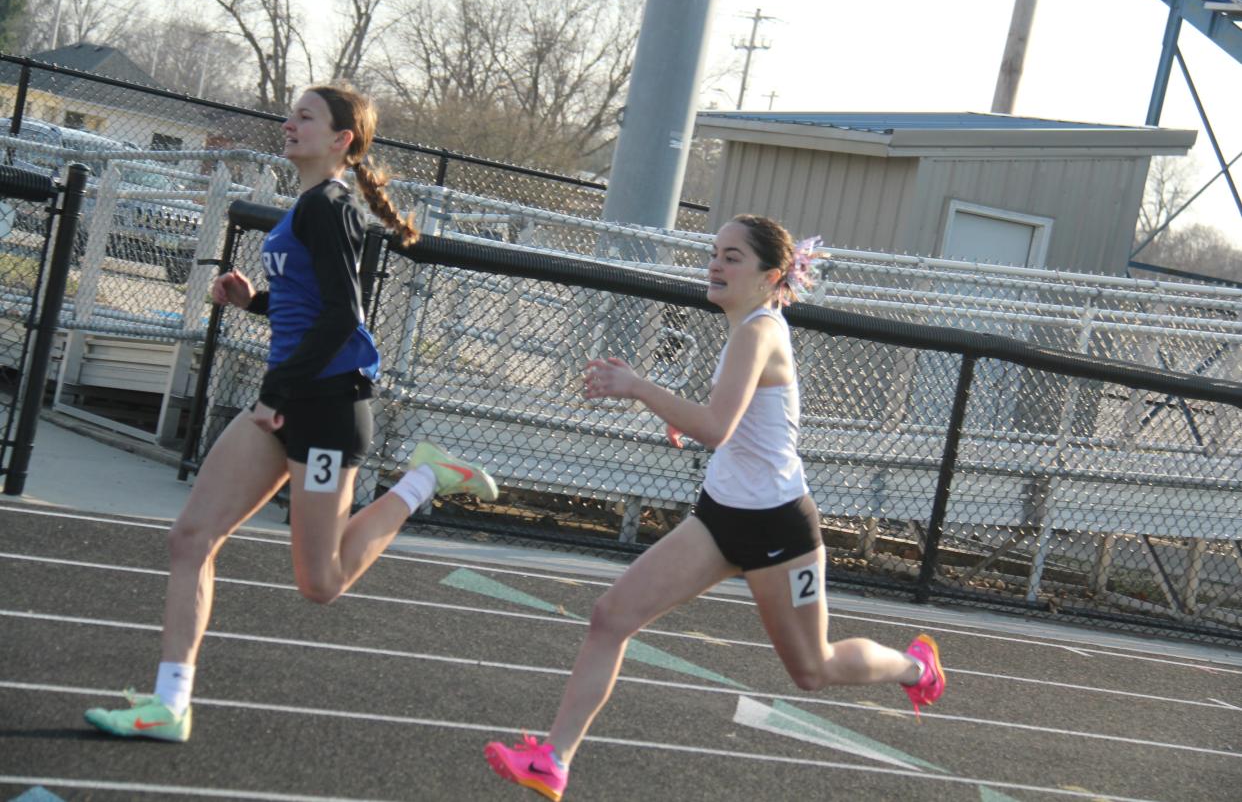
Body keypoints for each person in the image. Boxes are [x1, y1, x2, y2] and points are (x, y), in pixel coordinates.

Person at [84, 85, 498, 743]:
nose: (289, 122)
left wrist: (277, 394)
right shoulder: (306, 208)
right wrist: (254, 302)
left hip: (327, 407)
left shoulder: (330, 207)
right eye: (291, 113)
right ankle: (171, 703)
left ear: (341, 140)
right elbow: (313, 307)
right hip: (290, 398)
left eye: (306, 116)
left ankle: (423, 478)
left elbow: (344, 319)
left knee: (321, 583)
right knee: (192, 537)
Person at [484, 215, 944, 801]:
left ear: (770, 276)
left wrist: (640, 387)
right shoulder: (744, 330)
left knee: (813, 669)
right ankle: (553, 760)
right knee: (610, 618)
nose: (715, 265)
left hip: (780, 530)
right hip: (721, 520)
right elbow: (732, 421)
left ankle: (915, 668)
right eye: (714, 253)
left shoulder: (758, 332)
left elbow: (718, 428)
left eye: (732, 257)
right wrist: (680, 416)